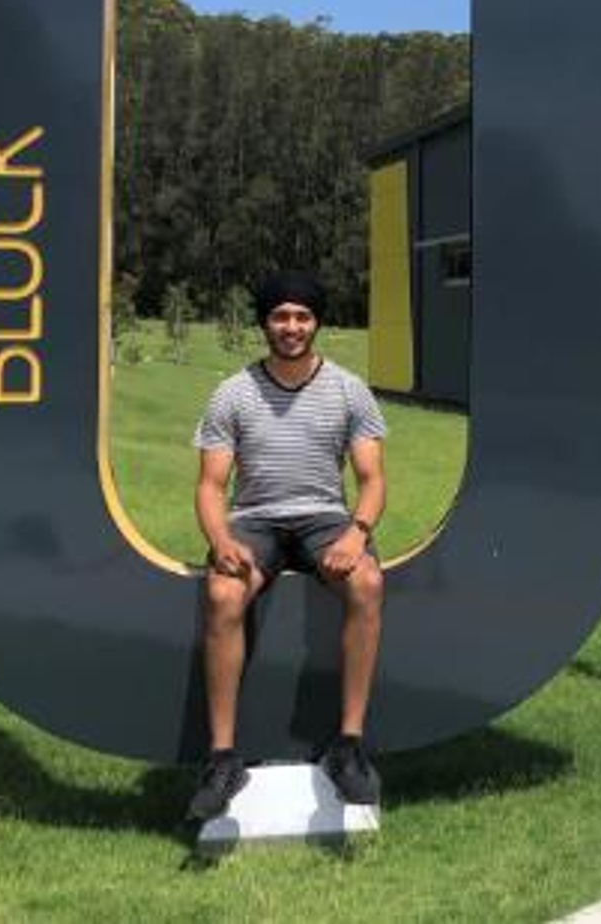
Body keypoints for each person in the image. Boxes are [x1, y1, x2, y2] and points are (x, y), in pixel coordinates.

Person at [185, 270, 389, 821]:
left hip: (324, 519)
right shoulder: (232, 393)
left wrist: (357, 533)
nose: (291, 326)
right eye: (280, 316)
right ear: (265, 323)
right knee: (224, 594)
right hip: (257, 522)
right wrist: (220, 538)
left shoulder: (349, 390)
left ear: (316, 321)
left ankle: (349, 745)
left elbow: (372, 479)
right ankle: (223, 758)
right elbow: (210, 485)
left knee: (367, 581)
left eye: (301, 316)